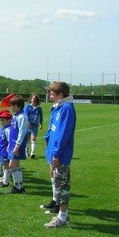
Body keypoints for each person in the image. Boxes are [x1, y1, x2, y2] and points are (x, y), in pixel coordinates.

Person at [42, 81, 76, 228]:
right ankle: (62, 215)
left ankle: (62, 218)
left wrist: (56, 153)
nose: (49, 95)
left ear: (60, 94)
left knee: (62, 185)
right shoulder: (57, 107)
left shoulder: (67, 108)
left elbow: (63, 134)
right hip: (54, 152)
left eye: (52, 93)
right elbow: (53, 130)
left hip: (60, 154)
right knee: (57, 182)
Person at [7, 95, 28, 194]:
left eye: (13, 105)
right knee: (16, 164)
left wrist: (17, 145)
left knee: (11, 165)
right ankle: (20, 185)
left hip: (17, 145)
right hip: (13, 144)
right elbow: (12, 131)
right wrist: (9, 144)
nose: (11, 107)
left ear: (19, 106)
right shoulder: (15, 116)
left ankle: (17, 186)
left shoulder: (22, 116)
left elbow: (22, 132)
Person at [24, 94, 43, 159]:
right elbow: (25, 115)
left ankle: (32, 153)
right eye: (33, 99)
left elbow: (41, 117)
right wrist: (28, 123)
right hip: (27, 125)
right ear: (31, 99)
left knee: (33, 139)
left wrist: (41, 124)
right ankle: (26, 152)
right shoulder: (27, 107)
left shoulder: (39, 108)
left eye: (35, 99)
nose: (34, 100)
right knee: (27, 139)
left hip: (35, 125)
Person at [0, 110, 13, 187]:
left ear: (9, 120)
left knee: (6, 166)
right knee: (4, 165)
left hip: (6, 151)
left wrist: (8, 150)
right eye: (1, 120)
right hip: (2, 150)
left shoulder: (8, 129)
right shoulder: (4, 128)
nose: (2, 122)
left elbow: (10, 141)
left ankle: (6, 182)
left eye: (3, 120)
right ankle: (4, 178)